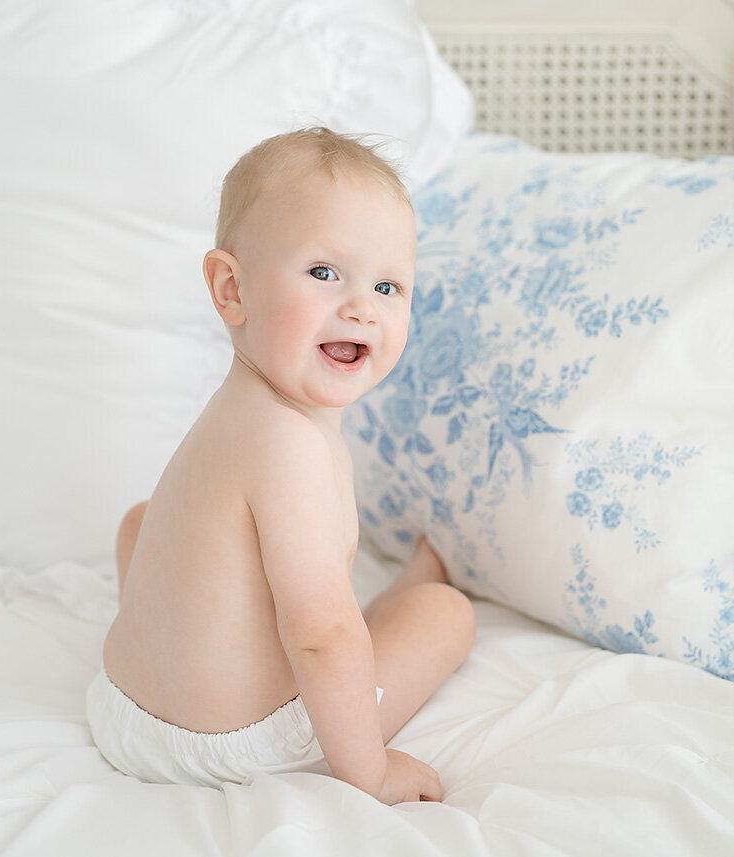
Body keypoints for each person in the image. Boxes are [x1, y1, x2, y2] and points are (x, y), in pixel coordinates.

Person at [89, 127, 475, 805]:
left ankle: (174, 657)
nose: (361, 307)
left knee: (143, 522)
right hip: (234, 745)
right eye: (324, 273)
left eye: (388, 285)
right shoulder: (290, 445)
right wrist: (371, 774)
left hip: (119, 710)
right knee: (443, 614)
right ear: (231, 288)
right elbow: (321, 638)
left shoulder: (237, 411)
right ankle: (406, 599)